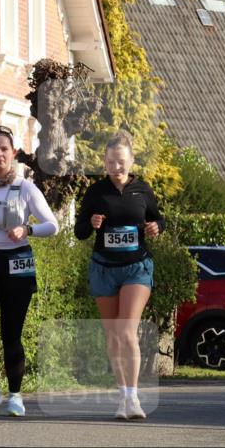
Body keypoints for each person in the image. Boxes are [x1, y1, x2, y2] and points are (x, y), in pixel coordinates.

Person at [0, 125, 59, 416]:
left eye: (4, 149)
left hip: (18, 260)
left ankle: (16, 394)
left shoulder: (26, 188)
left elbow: (52, 225)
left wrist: (27, 229)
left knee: (11, 332)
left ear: (13, 153)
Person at [75, 131, 164, 420]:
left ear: (131, 160)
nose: (116, 167)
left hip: (136, 267)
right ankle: (123, 396)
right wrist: (91, 222)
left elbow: (157, 218)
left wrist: (156, 227)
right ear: (104, 162)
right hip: (104, 268)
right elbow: (79, 232)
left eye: (121, 162)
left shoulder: (142, 190)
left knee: (126, 330)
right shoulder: (96, 192)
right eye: (111, 162)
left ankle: (134, 397)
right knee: (113, 334)